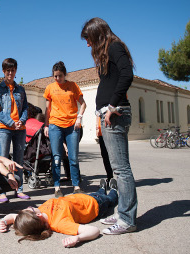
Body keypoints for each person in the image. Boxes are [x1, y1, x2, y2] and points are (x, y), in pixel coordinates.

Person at [81, 17, 138, 235]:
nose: (87, 44)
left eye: (88, 39)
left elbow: (127, 74)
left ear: (97, 34)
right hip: (109, 114)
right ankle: (123, 212)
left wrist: (112, 105)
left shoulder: (114, 47)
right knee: (118, 168)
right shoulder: (108, 51)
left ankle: (127, 220)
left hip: (115, 114)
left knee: (122, 169)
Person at [0, 179, 118, 248]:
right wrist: (78, 238)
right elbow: (95, 230)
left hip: (83, 197)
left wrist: (3, 221)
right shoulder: (59, 223)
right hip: (96, 205)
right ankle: (114, 190)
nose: (30, 206)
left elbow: (14, 217)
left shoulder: (37, 215)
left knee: (99, 192)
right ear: (37, 216)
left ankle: (102, 188)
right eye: (30, 208)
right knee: (111, 199)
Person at [44, 61, 86, 198]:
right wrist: (46, 125)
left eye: (60, 76)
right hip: (55, 125)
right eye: (55, 76)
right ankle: (57, 187)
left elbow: (83, 104)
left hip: (72, 126)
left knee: (73, 157)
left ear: (65, 74)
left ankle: (76, 186)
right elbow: (47, 109)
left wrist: (79, 117)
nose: (57, 79)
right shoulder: (50, 88)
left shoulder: (73, 86)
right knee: (56, 157)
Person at [0, 58, 29, 202]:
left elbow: (25, 107)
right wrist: (11, 123)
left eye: (13, 70)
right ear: (3, 71)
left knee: (19, 158)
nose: (10, 73)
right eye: (8, 70)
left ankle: (19, 189)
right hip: (4, 128)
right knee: (3, 158)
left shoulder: (21, 89)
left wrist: (22, 121)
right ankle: (2, 191)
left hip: (20, 128)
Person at [96, 116, 113, 187]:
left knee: (115, 155)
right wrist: (97, 127)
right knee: (105, 156)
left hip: (112, 130)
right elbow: (97, 114)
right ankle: (110, 177)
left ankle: (121, 180)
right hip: (101, 132)